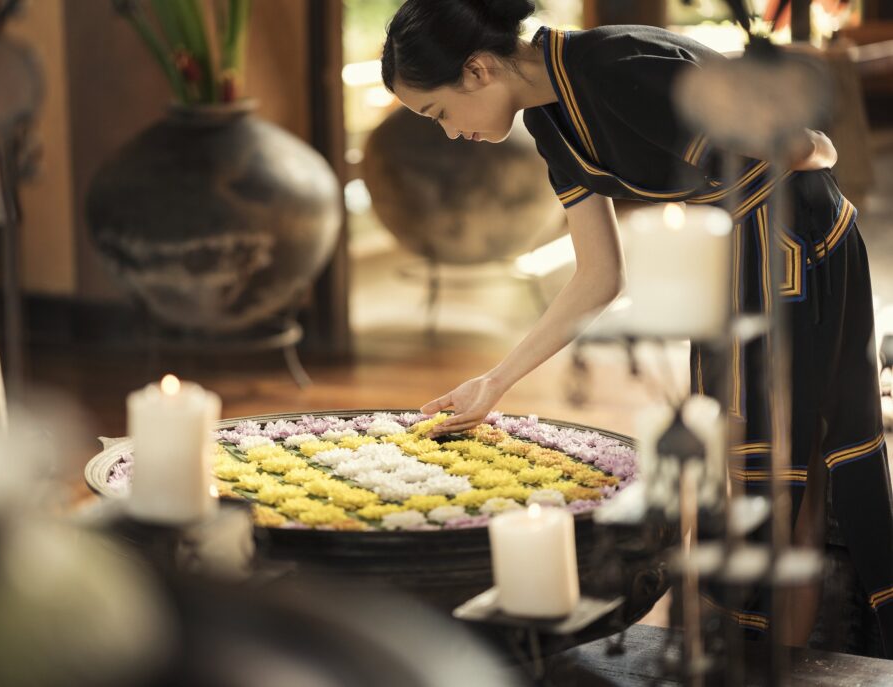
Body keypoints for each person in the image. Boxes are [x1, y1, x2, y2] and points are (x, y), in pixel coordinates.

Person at [381, 0, 893, 657]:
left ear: (477, 71)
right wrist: (494, 381)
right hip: (732, 255)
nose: (450, 134)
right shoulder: (549, 116)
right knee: (752, 484)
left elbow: (804, 146)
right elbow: (599, 275)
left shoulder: (618, 64)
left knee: (772, 487)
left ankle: (768, 666)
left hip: (793, 247)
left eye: (438, 113)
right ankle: (760, 659)